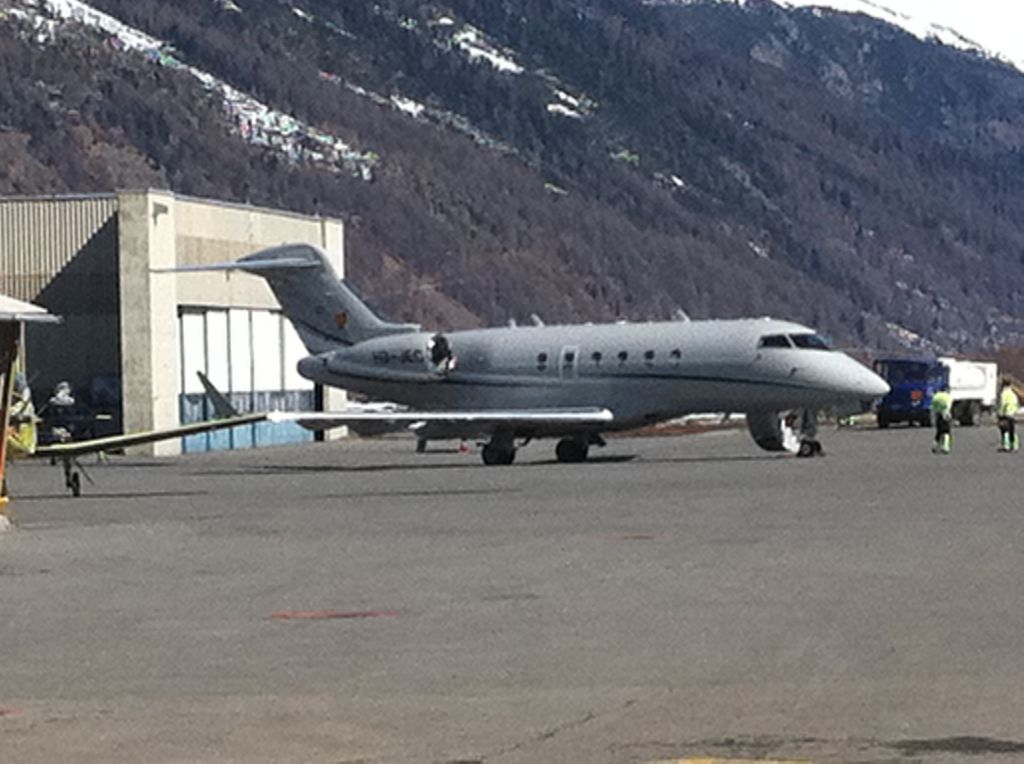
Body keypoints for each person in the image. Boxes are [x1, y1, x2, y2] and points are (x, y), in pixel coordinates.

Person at [997, 378, 1020, 453]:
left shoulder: (1004, 393)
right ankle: (1015, 446)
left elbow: (1003, 404)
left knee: (1004, 430)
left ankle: (1006, 446)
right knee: (1012, 430)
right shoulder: (1012, 392)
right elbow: (1016, 403)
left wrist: (1000, 413)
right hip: (1012, 413)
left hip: (1006, 413)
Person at [930, 384, 953, 454]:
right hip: (945, 415)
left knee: (939, 432)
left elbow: (933, 408)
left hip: (938, 416)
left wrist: (933, 418)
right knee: (946, 432)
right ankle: (945, 447)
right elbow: (948, 407)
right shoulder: (948, 397)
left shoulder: (936, 396)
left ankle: (934, 446)